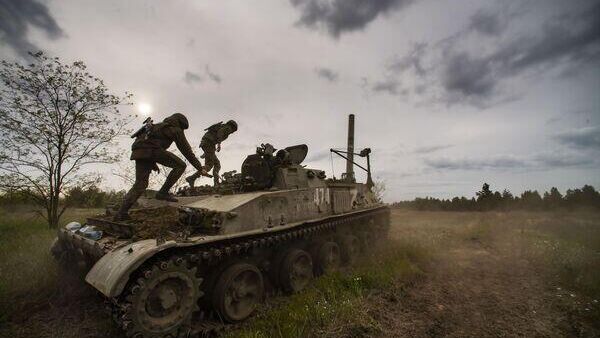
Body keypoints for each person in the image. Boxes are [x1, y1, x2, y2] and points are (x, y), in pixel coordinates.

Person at [114, 113, 208, 221]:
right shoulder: (174, 129)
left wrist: (152, 162)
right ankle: (162, 192)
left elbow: (147, 143)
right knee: (180, 165)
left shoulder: (156, 126)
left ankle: (121, 213)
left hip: (140, 153)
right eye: (182, 128)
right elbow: (187, 151)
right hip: (151, 151)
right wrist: (200, 168)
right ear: (180, 124)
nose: (182, 131)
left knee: (140, 184)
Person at [186, 120, 238, 187]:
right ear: (232, 127)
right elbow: (220, 133)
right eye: (233, 130)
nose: (232, 132)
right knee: (209, 165)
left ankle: (216, 183)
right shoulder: (227, 127)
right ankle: (192, 178)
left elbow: (211, 137)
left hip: (208, 145)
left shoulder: (222, 126)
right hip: (209, 144)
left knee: (217, 164)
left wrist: (206, 152)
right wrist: (219, 144)